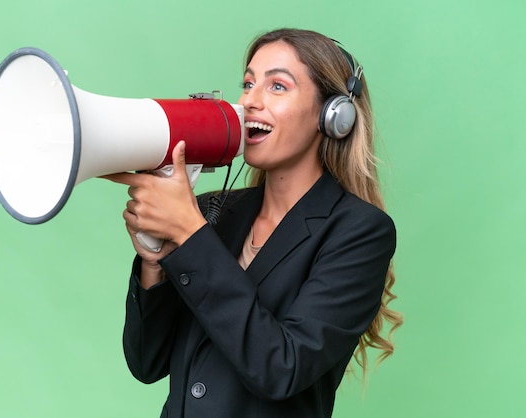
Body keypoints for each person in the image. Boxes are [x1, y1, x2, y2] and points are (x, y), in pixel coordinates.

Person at [103, 28, 402, 418]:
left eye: (277, 86)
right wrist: (154, 260)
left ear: (332, 116)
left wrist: (189, 234)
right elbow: (147, 363)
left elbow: (282, 368)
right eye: (247, 83)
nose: (249, 101)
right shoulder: (214, 211)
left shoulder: (359, 232)